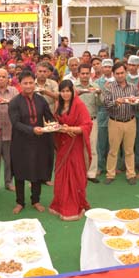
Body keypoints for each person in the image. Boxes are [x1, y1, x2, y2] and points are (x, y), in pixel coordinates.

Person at [8, 71, 55, 214]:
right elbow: (15, 123)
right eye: (25, 83)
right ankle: (20, 202)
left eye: (30, 83)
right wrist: (32, 130)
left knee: (37, 170)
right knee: (20, 172)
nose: (28, 86)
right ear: (20, 84)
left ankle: (36, 200)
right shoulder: (14, 102)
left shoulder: (41, 100)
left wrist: (54, 125)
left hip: (39, 142)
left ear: (34, 83)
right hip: (20, 142)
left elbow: (49, 117)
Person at [49, 80, 93, 220]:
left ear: (73, 91)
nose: (65, 94)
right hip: (63, 144)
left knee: (74, 173)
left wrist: (71, 129)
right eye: (63, 91)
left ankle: (74, 205)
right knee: (61, 173)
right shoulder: (59, 105)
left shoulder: (79, 105)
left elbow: (87, 125)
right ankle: (60, 204)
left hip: (75, 144)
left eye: (68, 91)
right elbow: (57, 124)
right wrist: (59, 128)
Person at [103, 62, 139, 185]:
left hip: (130, 121)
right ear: (113, 74)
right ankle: (110, 174)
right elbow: (106, 106)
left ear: (126, 73)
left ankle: (131, 174)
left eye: (122, 73)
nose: (120, 75)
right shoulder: (109, 88)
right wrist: (115, 102)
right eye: (117, 73)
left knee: (129, 150)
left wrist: (137, 102)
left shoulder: (133, 87)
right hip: (115, 122)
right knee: (113, 150)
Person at [74, 64, 102, 183]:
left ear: (90, 74)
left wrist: (99, 94)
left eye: (87, 73)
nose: (85, 76)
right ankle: (78, 173)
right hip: (76, 122)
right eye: (83, 73)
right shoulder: (73, 87)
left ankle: (91, 174)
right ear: (78, 74)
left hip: (92, 120)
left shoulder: (95, 86)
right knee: (77, 148)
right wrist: (76, 94)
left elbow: (101, 104)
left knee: (92, 148)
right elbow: (67, 102)